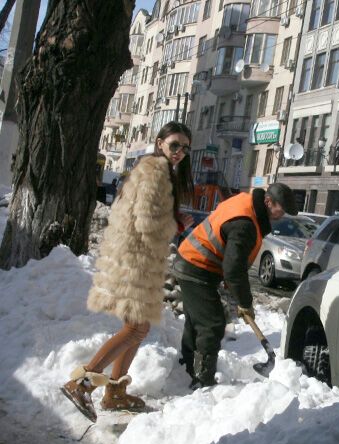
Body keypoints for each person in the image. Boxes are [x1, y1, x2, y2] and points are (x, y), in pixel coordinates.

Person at [61, 122, 196, 423]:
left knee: (140, 327)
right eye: (175, 145)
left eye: (186, 148)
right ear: (160, 142)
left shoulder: (155, 169)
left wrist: (174, 218)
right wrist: (177, 225)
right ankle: (81, 384)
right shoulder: (155, 171)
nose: (180, 152)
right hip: (136, 260)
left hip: (138, 258)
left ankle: (115, 392)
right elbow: (147, 221)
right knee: (135, 328)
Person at [173, 182, 298, 388]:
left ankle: (187, 367)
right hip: (195, 266)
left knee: (198, 320)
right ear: (268, 202)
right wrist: (245, 302)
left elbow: (231, 262)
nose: (281, 215)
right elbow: (234, 270)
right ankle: (203, 381)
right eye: (280, 209)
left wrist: (237, 295)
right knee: (212, 324)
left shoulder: (247, 203)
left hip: (195, 262)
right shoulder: (245, 223)